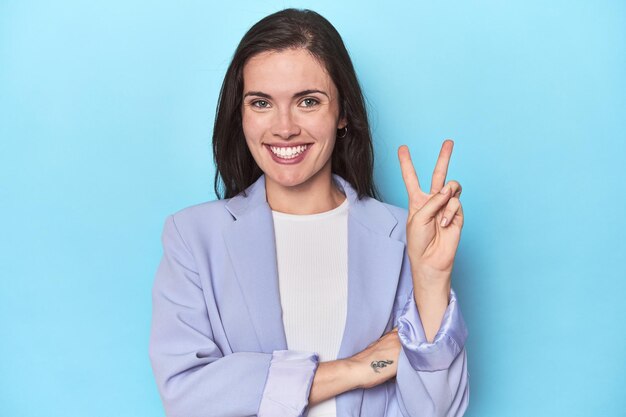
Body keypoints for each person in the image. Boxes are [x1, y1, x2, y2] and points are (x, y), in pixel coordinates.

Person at [149, 8, 469, 417]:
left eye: (308, 101)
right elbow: (188, 395)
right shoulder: (193, 237)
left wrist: (431, 279)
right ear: (241, 114)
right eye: (261, 102)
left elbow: (438, 411)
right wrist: (354, 369)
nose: (284, 127)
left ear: (343, 114)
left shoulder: (404, 236)